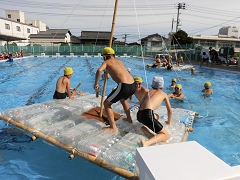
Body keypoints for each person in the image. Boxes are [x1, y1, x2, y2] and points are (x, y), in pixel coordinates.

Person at [94, 47, 136, 133]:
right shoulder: (119, 61)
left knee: (106, 103)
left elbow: (99, 70)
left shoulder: (106, 62)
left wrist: (96, 83)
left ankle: (113, 127)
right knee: (123, 99)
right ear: (114, 55)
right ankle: (129, 119)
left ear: (104, 57)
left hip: (124, 86)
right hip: (133, 84)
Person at [135, 76, 173, 147]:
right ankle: (146, 143)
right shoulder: (164, 94)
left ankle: (145, 127)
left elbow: (141, 104)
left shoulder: (148, 92)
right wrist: (169, 121)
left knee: (156, 116)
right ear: (163, 86)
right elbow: (169, 110)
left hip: (139, 115)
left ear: (152, 85)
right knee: (165, 135)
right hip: (147, 115)